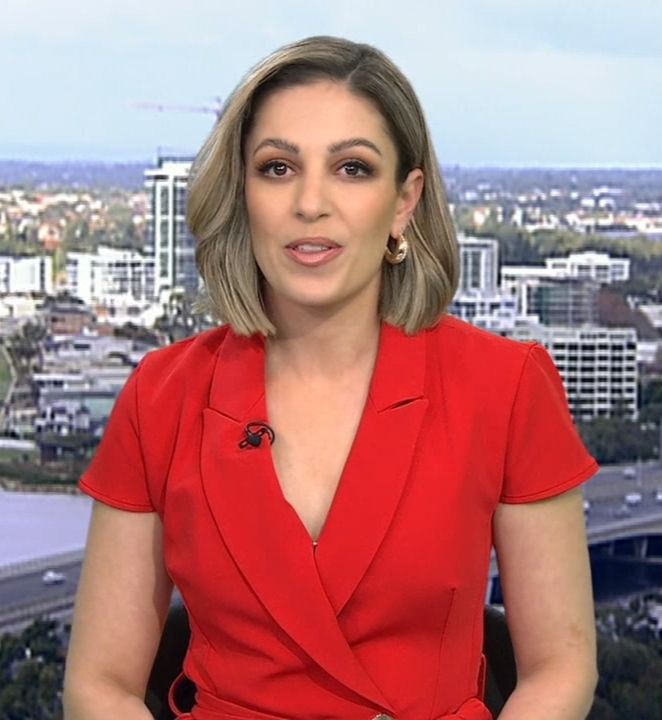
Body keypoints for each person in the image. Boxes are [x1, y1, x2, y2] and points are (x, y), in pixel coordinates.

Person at [63, 35, 599, 720]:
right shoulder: (162, 396)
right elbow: (100, 685)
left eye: (352, 168)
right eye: (278, 167)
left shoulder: (506, 388)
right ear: (243, 194)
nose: (310, 202)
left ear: (404, 201)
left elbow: (560, 670)